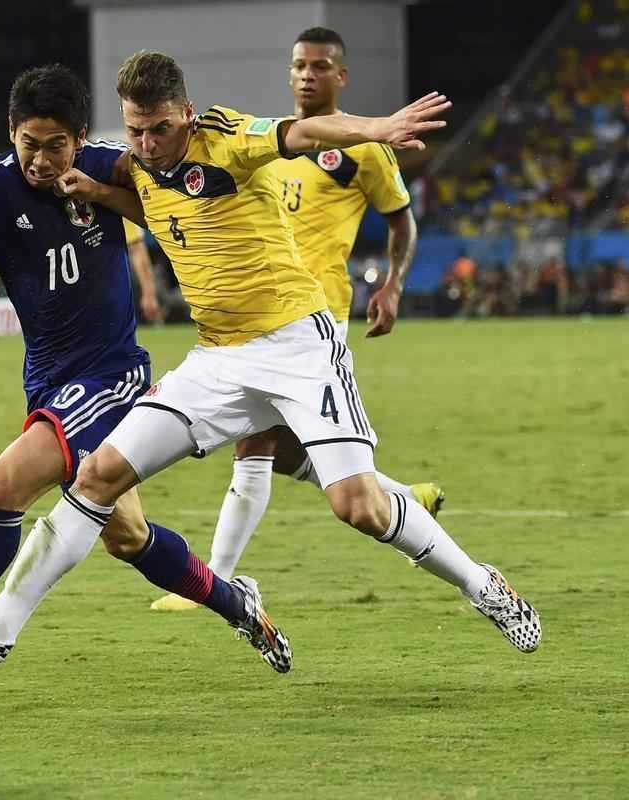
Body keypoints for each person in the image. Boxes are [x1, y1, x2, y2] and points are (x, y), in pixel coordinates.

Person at [0, 51, 541, 672]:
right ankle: (1, 624)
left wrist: (378, 127)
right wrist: (102, 190)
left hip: (297, 346)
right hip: (217, 357)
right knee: (99, 475)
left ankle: (480, 583)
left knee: (359, 506)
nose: (148, 143)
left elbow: (301, 132)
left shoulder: (225, 137)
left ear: (186, 113)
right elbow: (162, 213)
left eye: (160, 128)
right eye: (136, 130)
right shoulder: (138, 167)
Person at [0, 64, 284, 675]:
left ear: (80, 138)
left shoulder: (111, 165)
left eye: (55, 145)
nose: (40, 160)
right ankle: (237, 604)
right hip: (47, 378)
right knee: (127, 536)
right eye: (28, 143)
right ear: (11, 133)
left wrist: (107, 195)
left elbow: (168, 207)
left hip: (111, 375)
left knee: (4, 485)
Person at [148, 27, 444, 612]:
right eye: (300, 65)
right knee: (287, 453)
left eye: (320, 66)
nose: (308, 75)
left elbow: (401, 220)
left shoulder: (363, 149)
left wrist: (393, 284)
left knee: (254, 442)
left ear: (342, 76)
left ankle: (214, 583)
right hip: (260, 309)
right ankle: (407, 500)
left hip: (315, 314)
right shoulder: (272, 143)